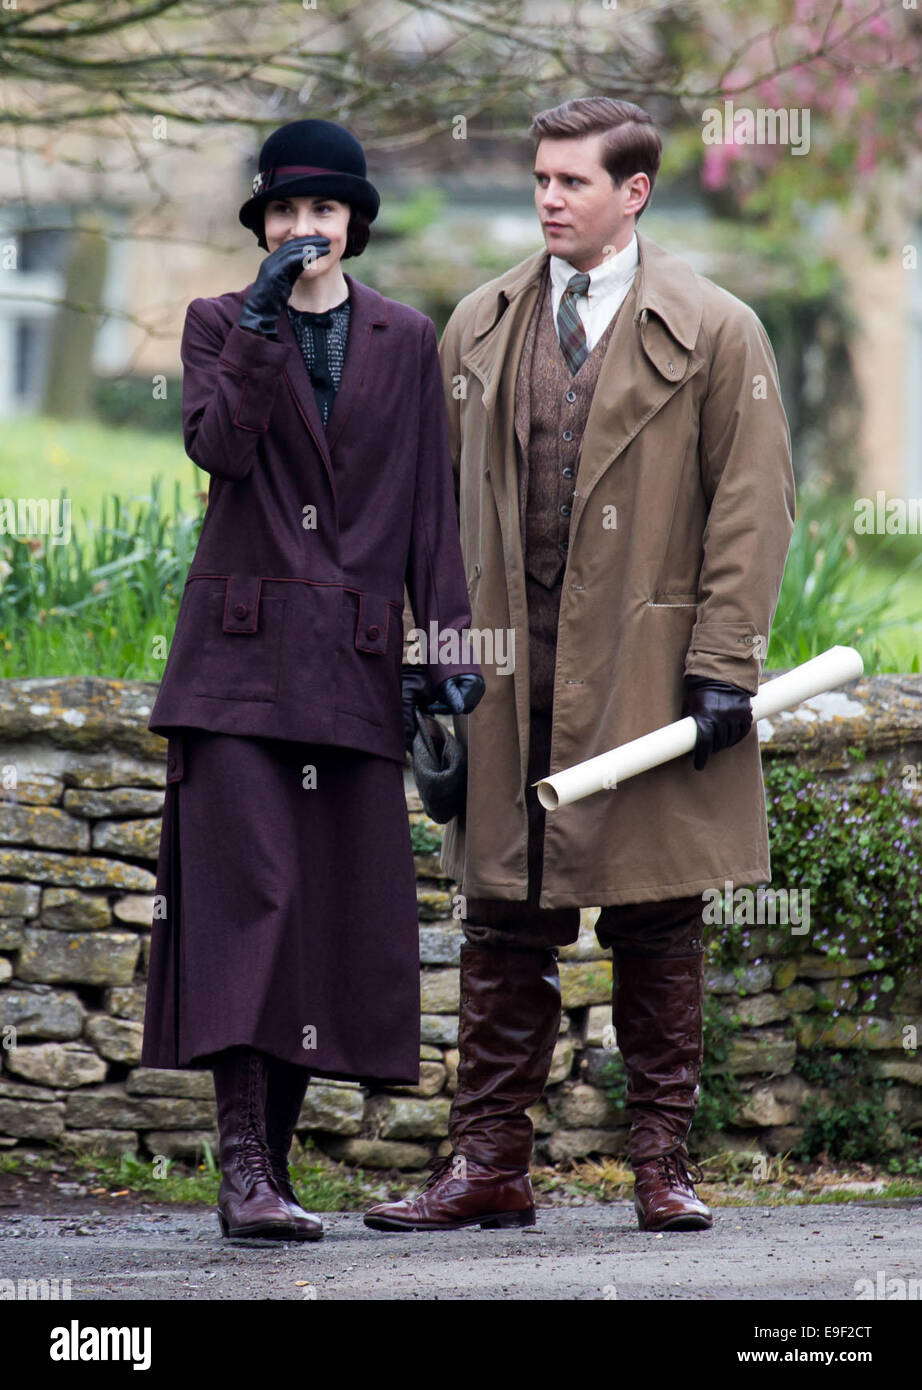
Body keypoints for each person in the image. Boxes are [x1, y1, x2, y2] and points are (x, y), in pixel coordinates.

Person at [365, 96, 795, 1235]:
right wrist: (433, 658)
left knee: (656, 923)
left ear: (634, 193)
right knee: (502, 921)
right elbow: (432, 515)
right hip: (509, 672)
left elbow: (754, 512)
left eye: (573, 182)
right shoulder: (478, 324)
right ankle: (489, 1166)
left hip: (650, 674)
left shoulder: (718, 330)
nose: (548, 198)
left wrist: (720, 666)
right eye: (541, 180)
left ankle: (662, 1167)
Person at [140, 118, 484, 1242]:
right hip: (236, 668)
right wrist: (256, 320)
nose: (303, 231)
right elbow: (218, 448)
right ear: (265, 228)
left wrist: (448, 652)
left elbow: (432, 508)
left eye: (323, 214)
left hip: (354, 667)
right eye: (284, 215)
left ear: (355, 224)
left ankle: (271, 1170)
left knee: (323, 923)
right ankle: (241, 1170)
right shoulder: (217, 325)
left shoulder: (404, 337)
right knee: (251, 912)